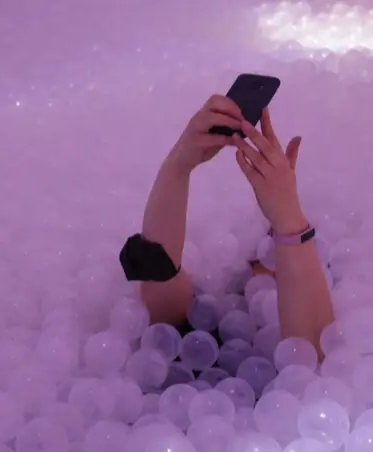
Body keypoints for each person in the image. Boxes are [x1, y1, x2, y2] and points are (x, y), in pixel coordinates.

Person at [123, 94, 334, 356]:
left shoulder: (320, 298)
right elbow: (159, 277)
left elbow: (315, 354)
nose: (271, 261)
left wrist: (288, 217)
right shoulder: (203, 315)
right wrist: (177, 165)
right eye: (262, 257)